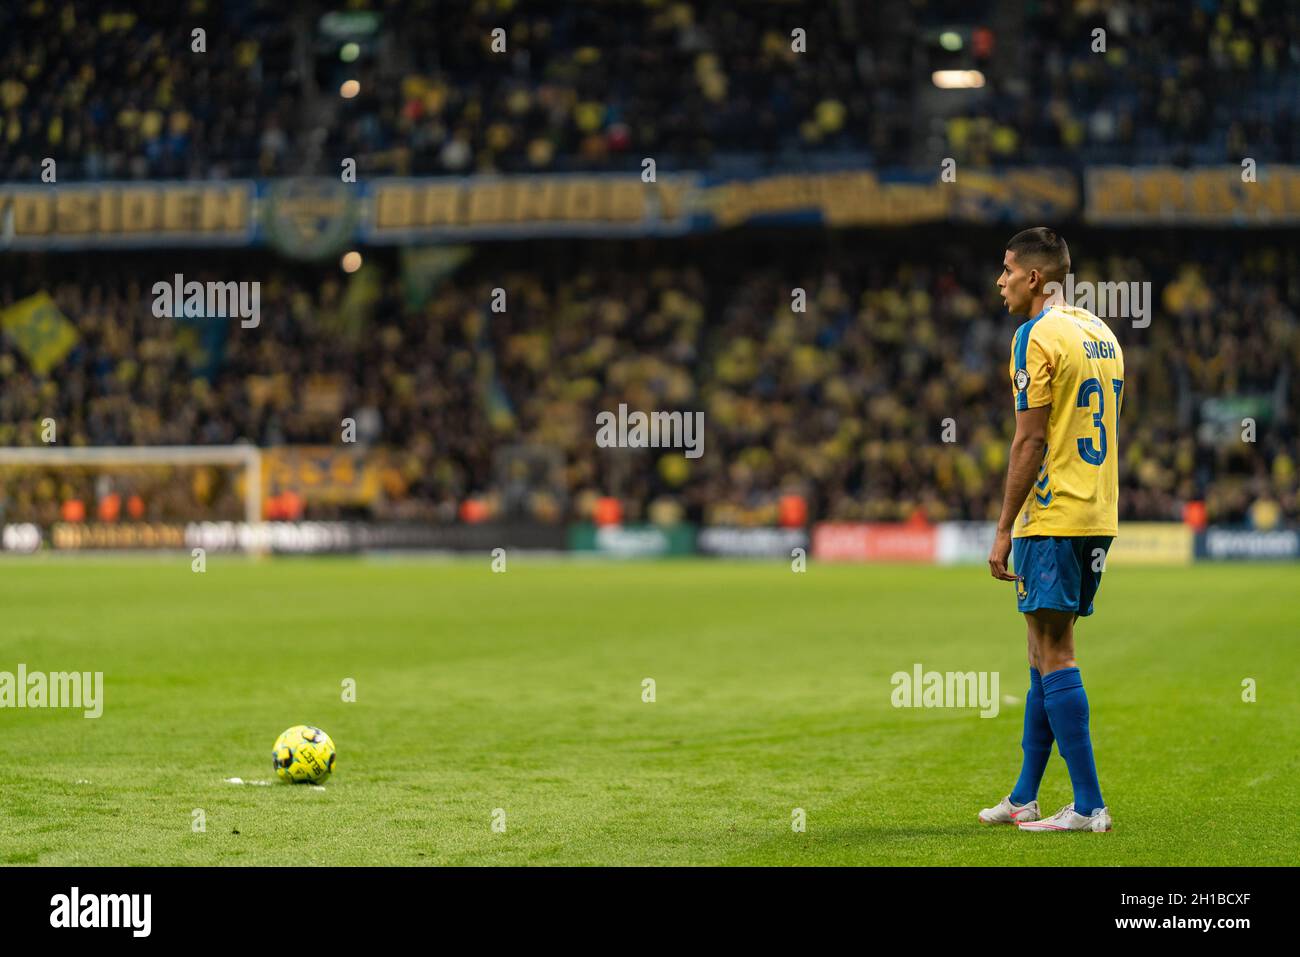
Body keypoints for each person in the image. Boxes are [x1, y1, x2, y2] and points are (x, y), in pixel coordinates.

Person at [981, 227, 1124, 833]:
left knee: (1055, 652)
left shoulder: (1033, 335)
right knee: (1042, 650)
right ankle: (1024, 796)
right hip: (1098, 511)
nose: (1001, 281)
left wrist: (1004, 527)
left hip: (1052, 513)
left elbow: (1031, 437)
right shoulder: (1102, 333)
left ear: (1035, 277)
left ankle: (1089, 805)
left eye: (1008, 270)